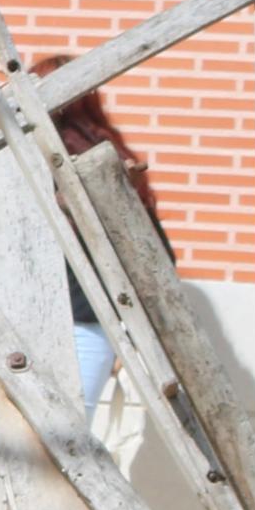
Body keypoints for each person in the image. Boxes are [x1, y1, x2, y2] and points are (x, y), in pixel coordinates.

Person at [34, 56, 160, 413]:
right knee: (69, 441)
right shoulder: (110, 156)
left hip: (66, 317)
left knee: (43, 443)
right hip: (89, 320)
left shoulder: (83, 159)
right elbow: (156, 254)